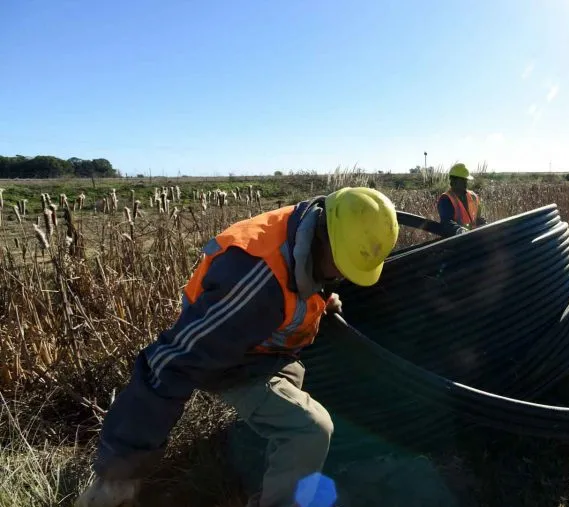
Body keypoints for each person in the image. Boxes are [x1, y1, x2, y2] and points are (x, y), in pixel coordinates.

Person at [75, 187, 400, 507]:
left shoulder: (311, 229)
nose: (344, 274)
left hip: (266, 347)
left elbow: (304, 278)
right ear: (323, 236)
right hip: (235, 362)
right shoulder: (254, 281)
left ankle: (264, 461)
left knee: (299, 400)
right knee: (311, 429)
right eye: (342, 264)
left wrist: (322, 299)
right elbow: (171, 363)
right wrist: (119, 473)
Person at [437, 162, 486, 236]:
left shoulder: (473, 196)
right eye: (463, 180)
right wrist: (460, 231)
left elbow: (477, 217)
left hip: (476, 238)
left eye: (466, 180)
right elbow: (446, 222)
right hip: (458, 241)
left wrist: (481, 221)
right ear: (453, 181)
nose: (465, 183)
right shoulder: (446, 199)